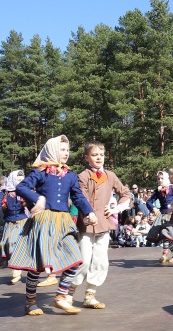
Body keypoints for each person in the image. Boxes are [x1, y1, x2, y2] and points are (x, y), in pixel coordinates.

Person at [8, 135, 98, 316]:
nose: (66, 153)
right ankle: (30, 301)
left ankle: (60, 296)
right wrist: (38, 198)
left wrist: (89, 211)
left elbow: (78, 197)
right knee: (37, 266)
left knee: (75, 259)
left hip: (64, 222)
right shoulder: (40, 172)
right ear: (52, 151)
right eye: (62, 150)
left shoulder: (71, 176)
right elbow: (21, 188)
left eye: (68, 150)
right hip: (44, 222)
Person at [68, 141, 130, 309]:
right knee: (83, 261)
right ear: (86, 157)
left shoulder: (110, 175)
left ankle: (90, 295)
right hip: (86, 225)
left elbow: (125, 193)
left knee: (101, 261)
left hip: (103, 224)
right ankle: (68, 293)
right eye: (95, 155)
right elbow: (81, 199)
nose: (99, 158)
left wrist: (115, 208)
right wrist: (89, 214)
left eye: (101, 155)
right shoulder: (82, 176)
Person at [0, 170, 30, 282]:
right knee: (6, 244)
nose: (20, 182)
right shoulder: (5, 193)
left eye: (22, 180)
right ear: (12, 179)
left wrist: (26, 203)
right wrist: (3, 207)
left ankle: (17, 270)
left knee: (15, 243)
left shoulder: (24, 192)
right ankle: (16, 268)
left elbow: (32, 204)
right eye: (18, 180)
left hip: (21, 221)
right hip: (9, 223)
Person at [146, 171, 173, 263]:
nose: (160, 180)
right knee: (165, 234)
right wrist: (154, 209)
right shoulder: (158, 190)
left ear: (167, 179)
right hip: (163, 216)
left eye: (162, 178)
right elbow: (148, 202)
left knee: (166, 234)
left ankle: (165, 254)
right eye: (158, 179)